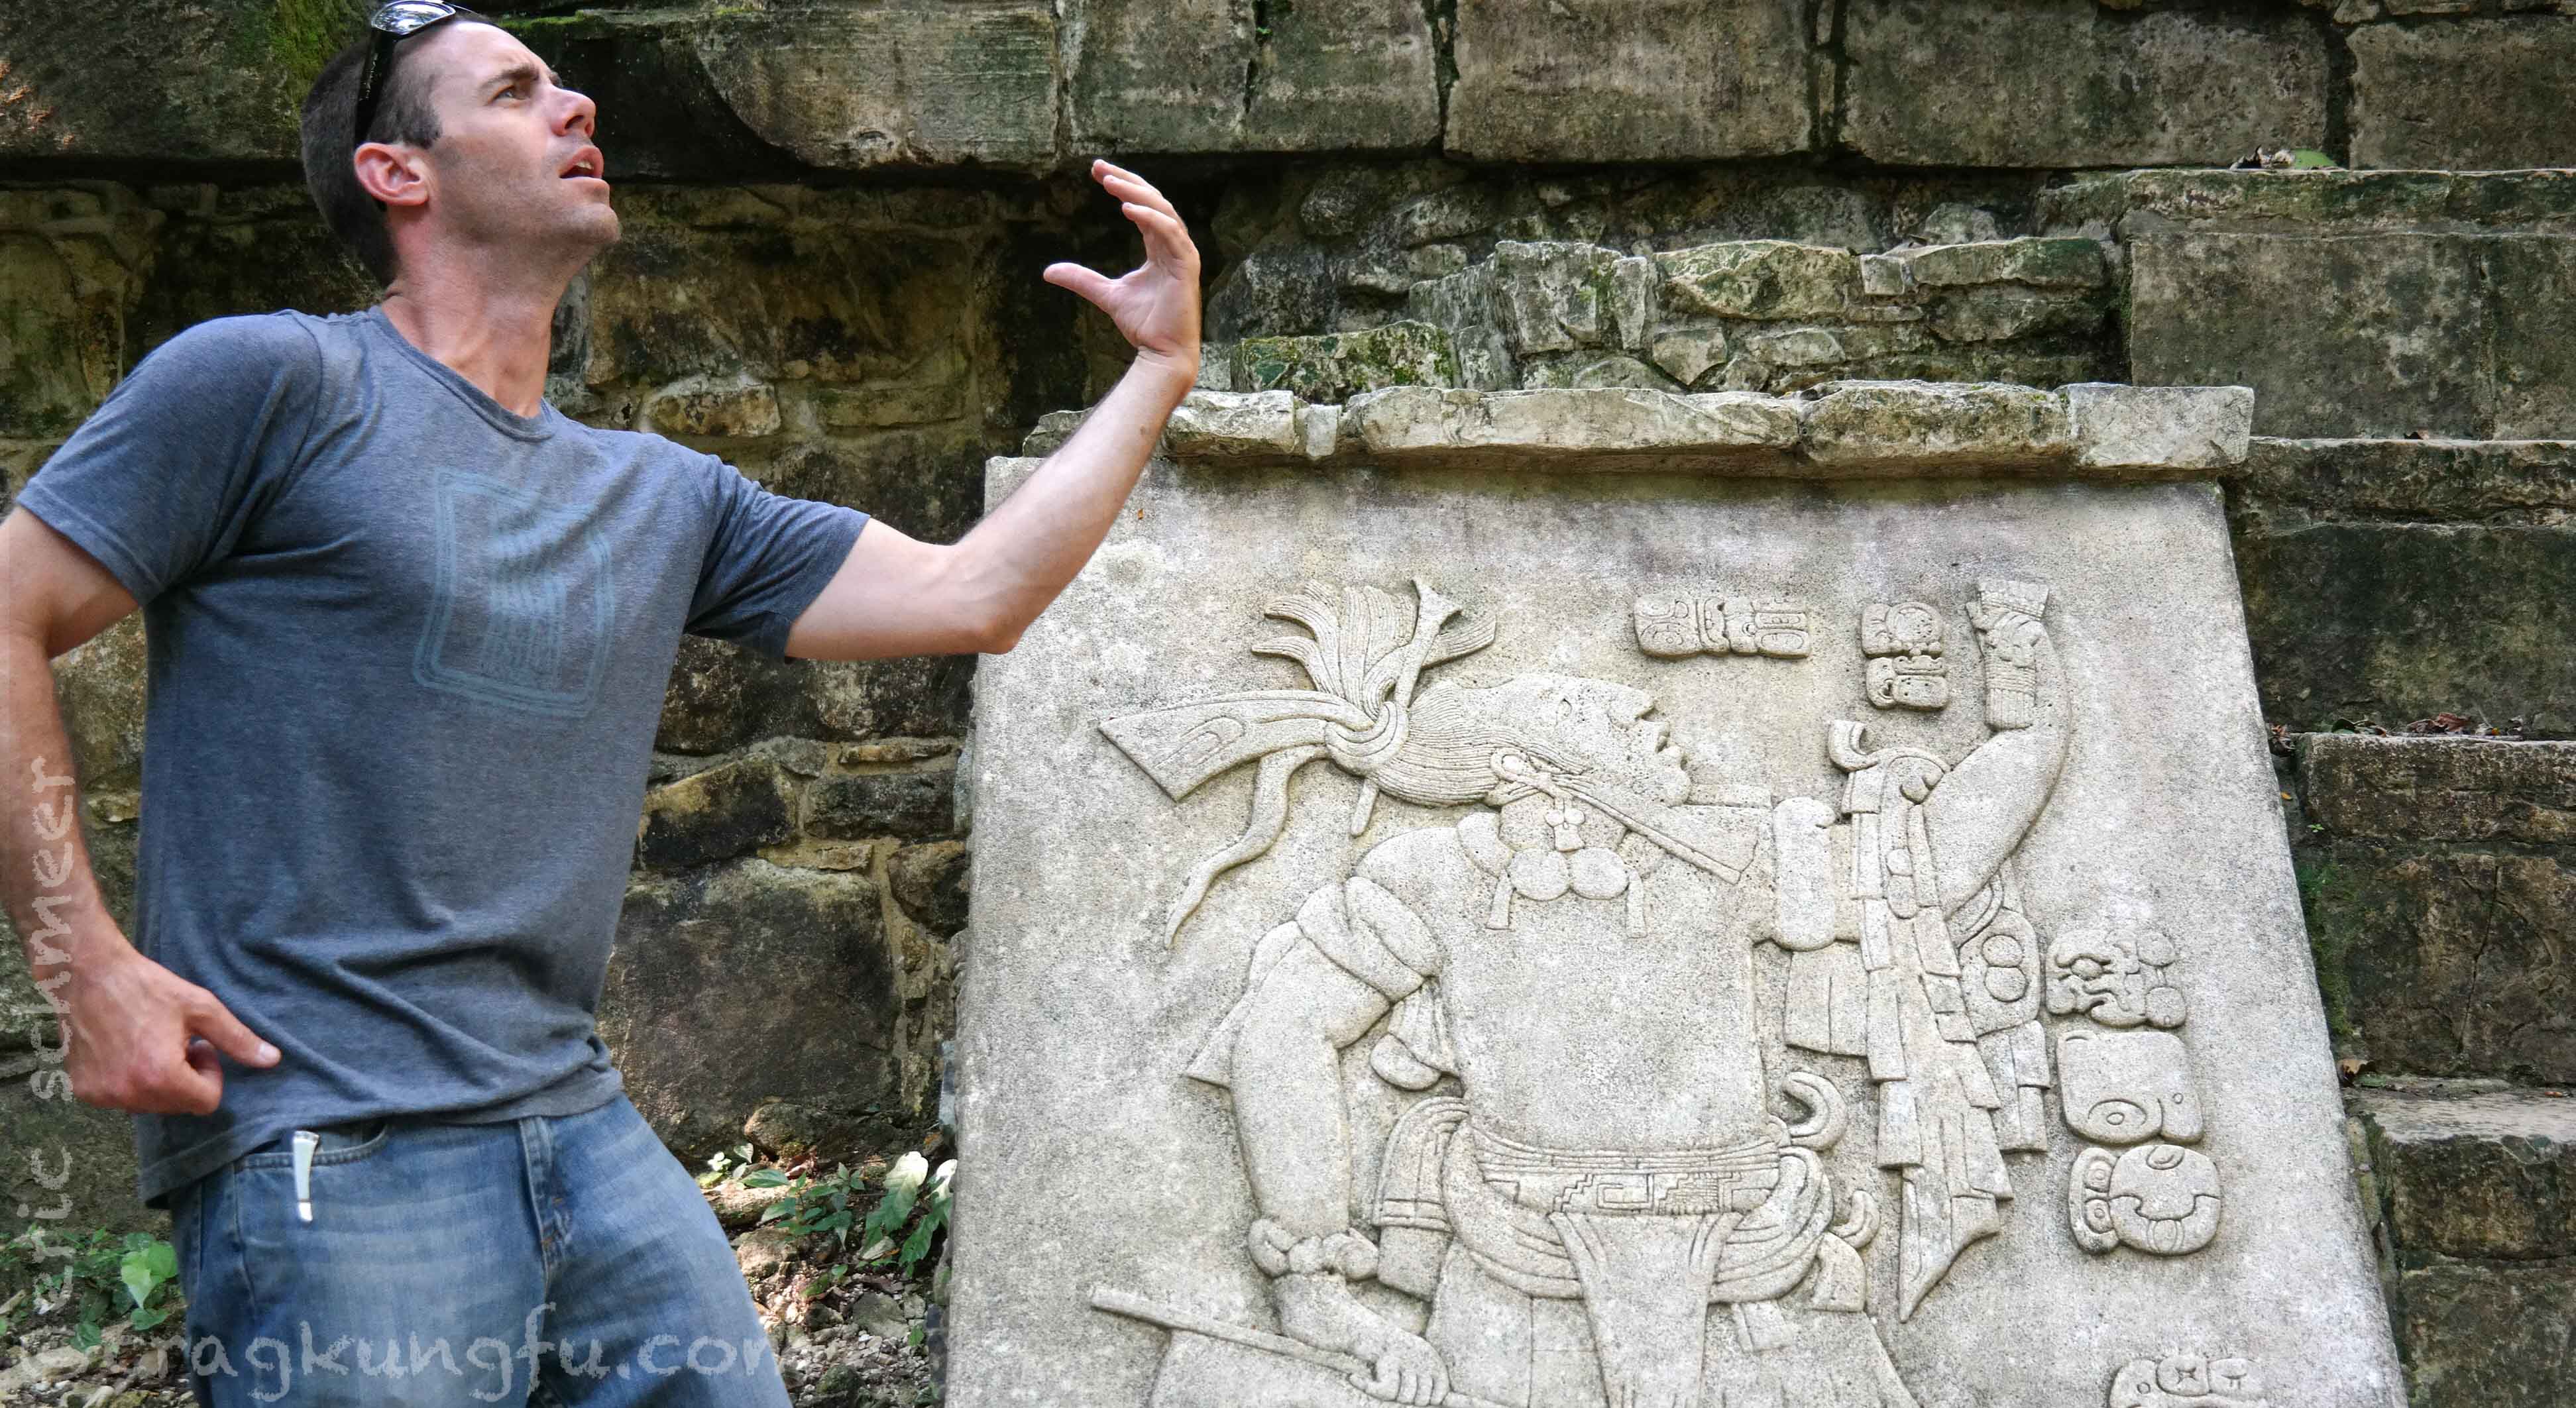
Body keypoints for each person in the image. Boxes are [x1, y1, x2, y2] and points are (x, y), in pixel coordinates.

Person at [0, 2, 1200, 1402]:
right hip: (336, 1137)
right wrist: (80, 963)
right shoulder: (272, 384)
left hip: (576, 1123)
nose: (575, 108)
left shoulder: (662, 494)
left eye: (564, 86)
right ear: (398, 172)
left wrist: (1158, 371)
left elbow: (973, 594)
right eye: (515, 91)